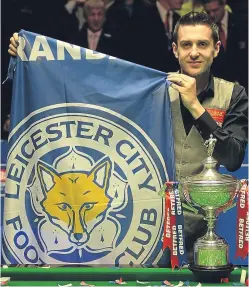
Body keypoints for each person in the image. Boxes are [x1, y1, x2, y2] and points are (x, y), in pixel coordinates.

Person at [7, 12, 248, 261]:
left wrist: (196, 108)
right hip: (149, 231)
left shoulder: (233, 94)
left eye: (202, 44)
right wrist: (32, 57)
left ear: (216, 49)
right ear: (175, 50)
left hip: (205, 230)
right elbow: (86, 87)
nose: (194, 52)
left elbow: (232, 157)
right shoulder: (153, 91)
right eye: (186, 44)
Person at [202, 0, 248, 90]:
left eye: (215, 10)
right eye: (208, 12)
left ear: (223, 5)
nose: (211, 15)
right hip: (217, 88)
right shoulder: (204, 29)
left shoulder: (243, 23)